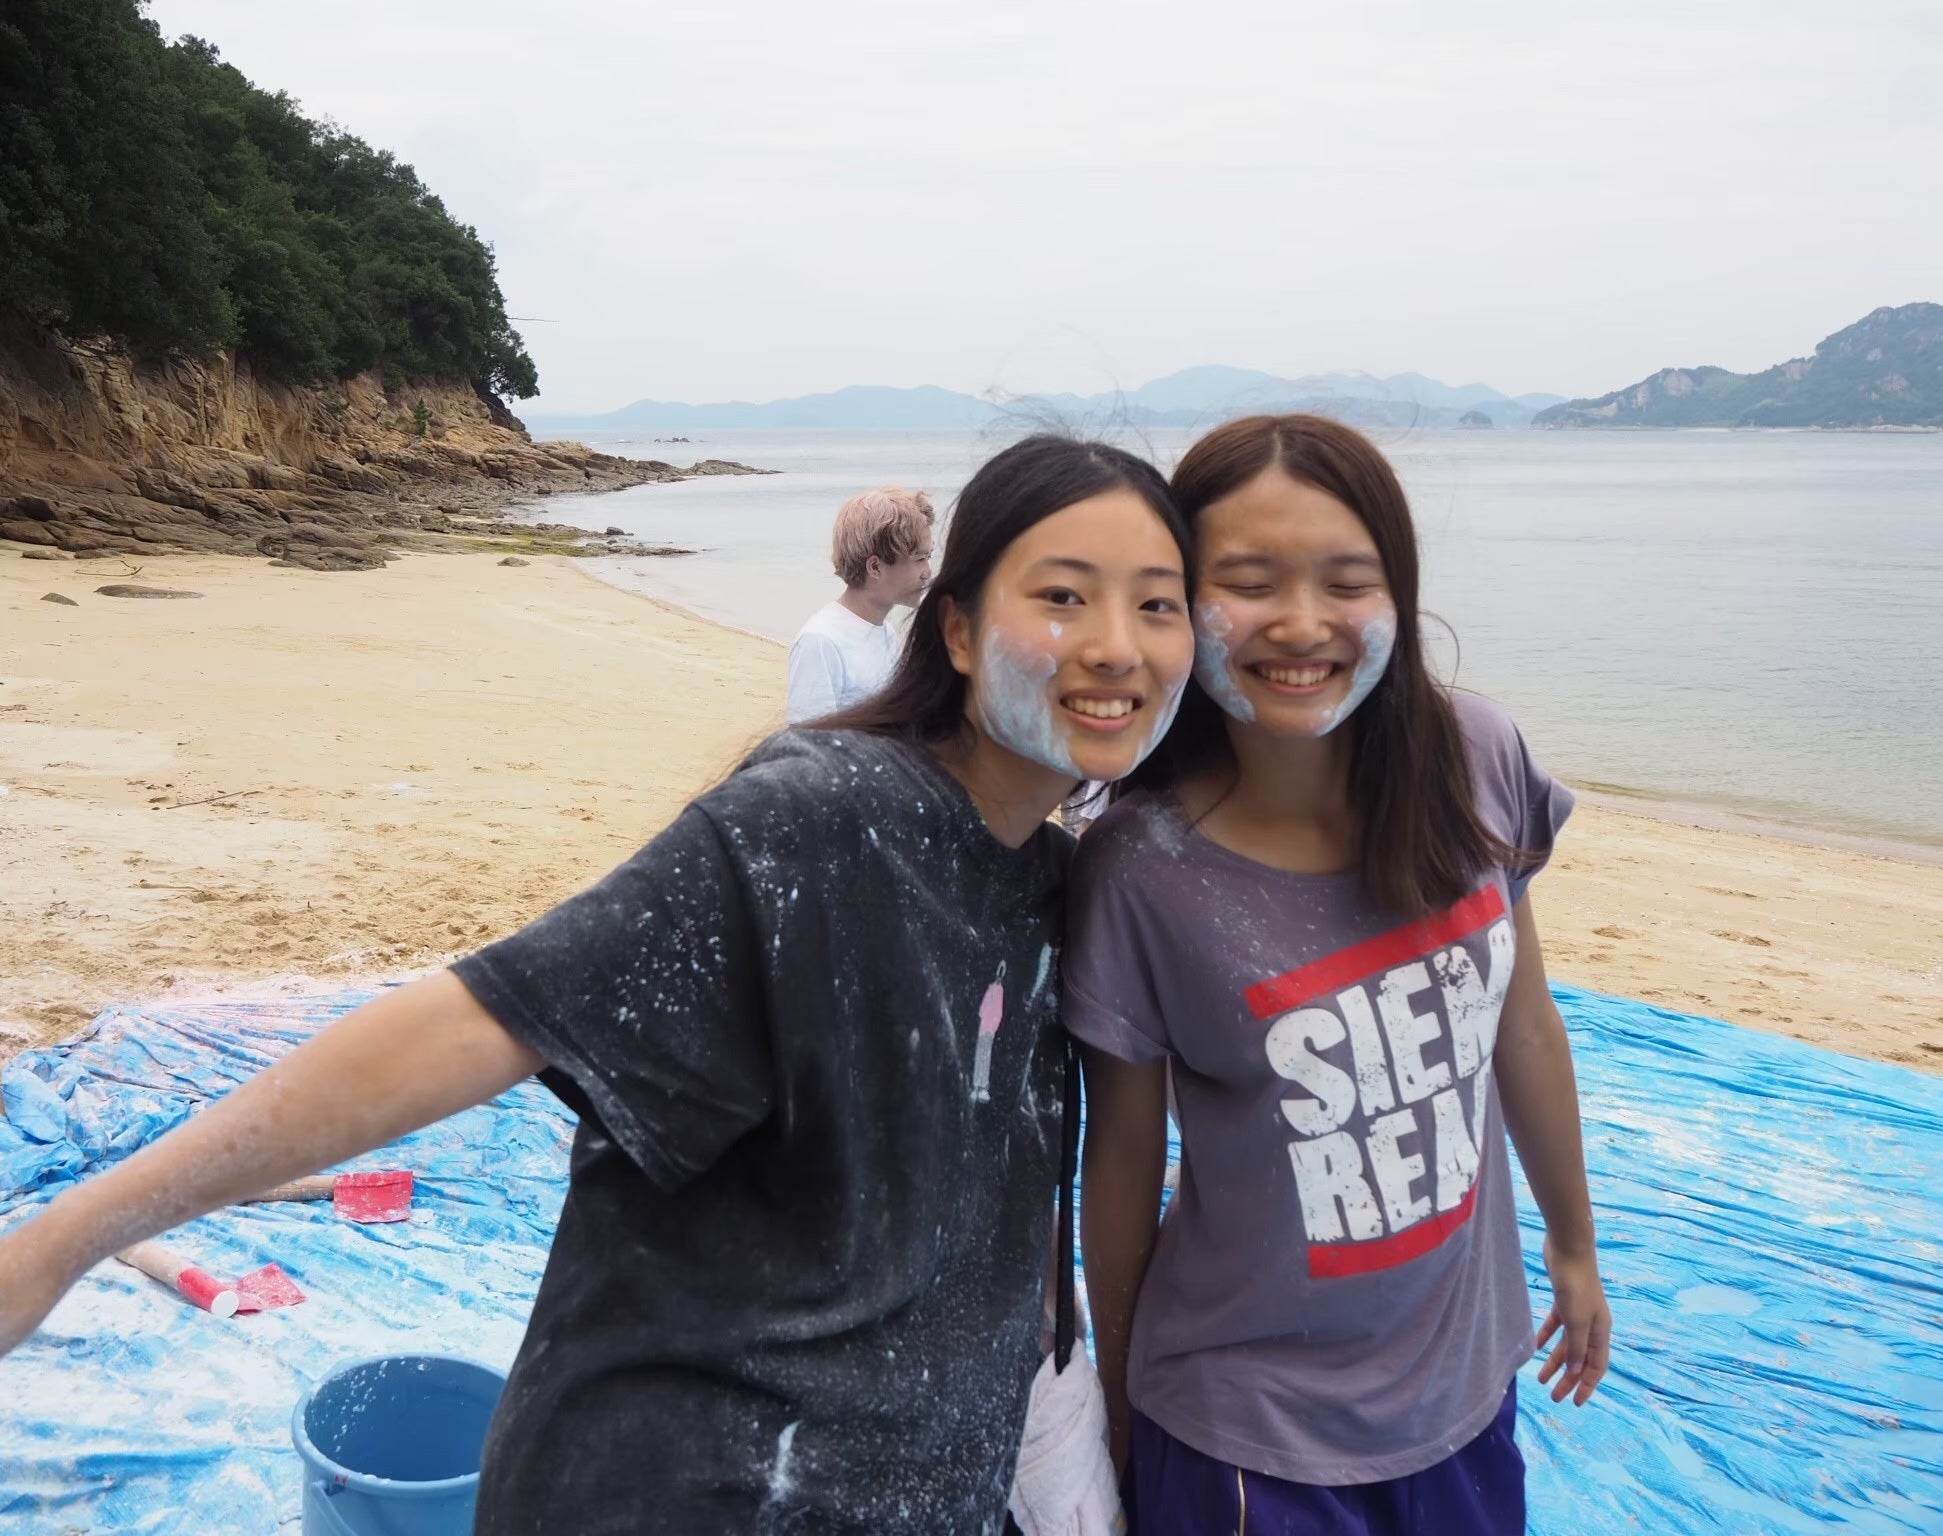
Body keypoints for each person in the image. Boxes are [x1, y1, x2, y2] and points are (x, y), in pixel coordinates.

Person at [0, 435, 1196, 1535]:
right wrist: (64, 1241)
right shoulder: (819, 824)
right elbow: (472, 1022)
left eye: (1157, 604)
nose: (1116, 644)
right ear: (955, 631)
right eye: (1061, 595)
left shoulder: (1063, 890)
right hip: (690, 1489)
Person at [1069, 415, 1611, 1535]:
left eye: (1346, 581)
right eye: (1247, 582)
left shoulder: (1477, 759)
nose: (1301, 624)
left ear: (1397, 595)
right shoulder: (1139, 867)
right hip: (1243, 1431)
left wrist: (1574, 1244)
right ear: (1177, 606)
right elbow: (1121, 1158)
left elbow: (1522, 1026)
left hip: (1465, 1392)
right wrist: (1116, 1406)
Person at [787, 485, 935, 723]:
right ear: (875, 567)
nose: (927, 572)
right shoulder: (821, 641)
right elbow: (807, 739)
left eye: (929, 557)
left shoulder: (886, 633)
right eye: (920, 558)